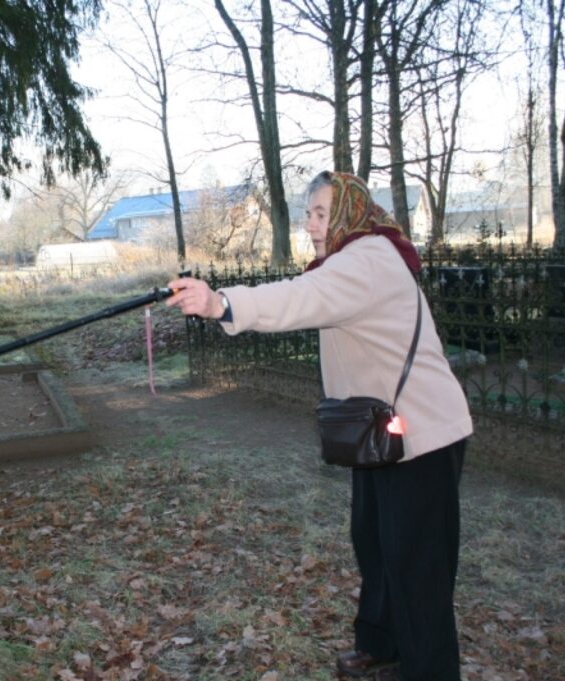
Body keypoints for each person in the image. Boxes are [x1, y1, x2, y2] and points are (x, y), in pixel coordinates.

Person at [165, 171, 472, 681]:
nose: (310, 224)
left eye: (321, 213)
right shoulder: (351, 260)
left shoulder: (367, 259)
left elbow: (299, 297)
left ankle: (430, 671)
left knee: (417, 566)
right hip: (380, 433)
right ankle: (382, 645)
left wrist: (223, 304)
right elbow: (310, 293)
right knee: (374, 544)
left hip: (424, 435)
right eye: (307, 213)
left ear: (350, 213)